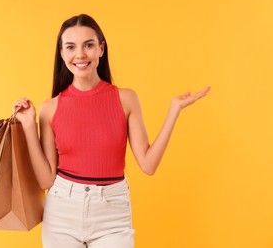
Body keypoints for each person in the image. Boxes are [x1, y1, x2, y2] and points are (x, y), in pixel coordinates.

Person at [13, 14, 210, 248]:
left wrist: (174, 110)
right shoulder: (50, 108)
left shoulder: (126, 99)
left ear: (101, 49)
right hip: (62, 212)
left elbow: (148, 165)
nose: (80, 54)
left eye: (88, 45)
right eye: (71, 47)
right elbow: (46, 180)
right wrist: (28, 126)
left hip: (112, 213)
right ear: (62, 53)